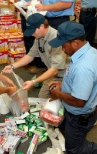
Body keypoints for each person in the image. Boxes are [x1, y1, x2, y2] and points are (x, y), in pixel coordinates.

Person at [48, 21, 97, 153]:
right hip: (78, 112)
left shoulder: (83, 67)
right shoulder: (88, 52)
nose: (62, 48)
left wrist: (58, 93)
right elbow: (81, 82)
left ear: (75, 43)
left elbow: (79, 101)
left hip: (79, 116)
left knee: (75, 148)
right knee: (69, 133)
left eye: (63, 44)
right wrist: (64, 85)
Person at [2, 13, 66, 98]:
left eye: (33, 31)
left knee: (59, 101)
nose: (32, 34)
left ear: (42, 26)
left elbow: (55, 69)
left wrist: (34, 82)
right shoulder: (39, 37)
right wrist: (13, 66)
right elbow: (30, 55)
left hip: (64, 76)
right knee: (42, 98)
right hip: (52, 74)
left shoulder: (56, 38)